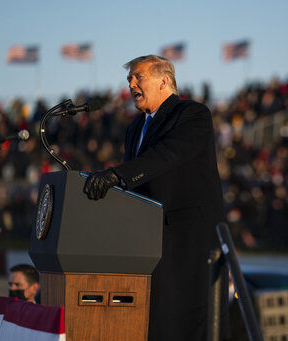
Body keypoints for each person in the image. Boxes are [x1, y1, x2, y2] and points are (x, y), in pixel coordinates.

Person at [83, 55, 228, 340]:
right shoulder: (135, 127)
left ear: (164, 81)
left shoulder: (192, 114)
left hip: (189, 240)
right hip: (149, 240)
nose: (131, 84)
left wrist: (117, 175)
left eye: (138, 77)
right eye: (129, 79)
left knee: (187, 322)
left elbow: (166, 155)